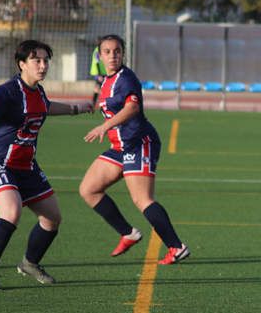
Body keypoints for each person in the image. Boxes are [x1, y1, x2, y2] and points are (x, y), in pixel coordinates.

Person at [0, 40, 92, 291]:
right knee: (12, 211)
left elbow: (47, 108)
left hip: (26, 166)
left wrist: (76, 109)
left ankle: (29, 263)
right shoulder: (9, 90)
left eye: (46, 60)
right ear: (21, 64)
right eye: (36, 60)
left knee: (52, 218)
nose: (43, 65)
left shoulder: (38, 92)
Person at [78, 34, 189, 265]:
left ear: (123, 53)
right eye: (107, 51)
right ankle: (128, 233)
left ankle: (176, 247)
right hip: (120, 146)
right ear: (99, 55)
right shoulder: (107, 80)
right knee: (89, 189)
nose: (112, 56)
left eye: (117, 51)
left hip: (139, 142)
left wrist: (104, 126)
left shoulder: (125, 78)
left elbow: (132, 108)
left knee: (142, 199)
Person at [90, 43, 107, 108]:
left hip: (102, 72)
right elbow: (97, 62)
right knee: (99, 88)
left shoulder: (98, 49)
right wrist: (99, 75)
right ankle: (97, 103)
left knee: (97, 88)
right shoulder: (98, 50)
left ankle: (94, 103)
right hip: (100, 73)